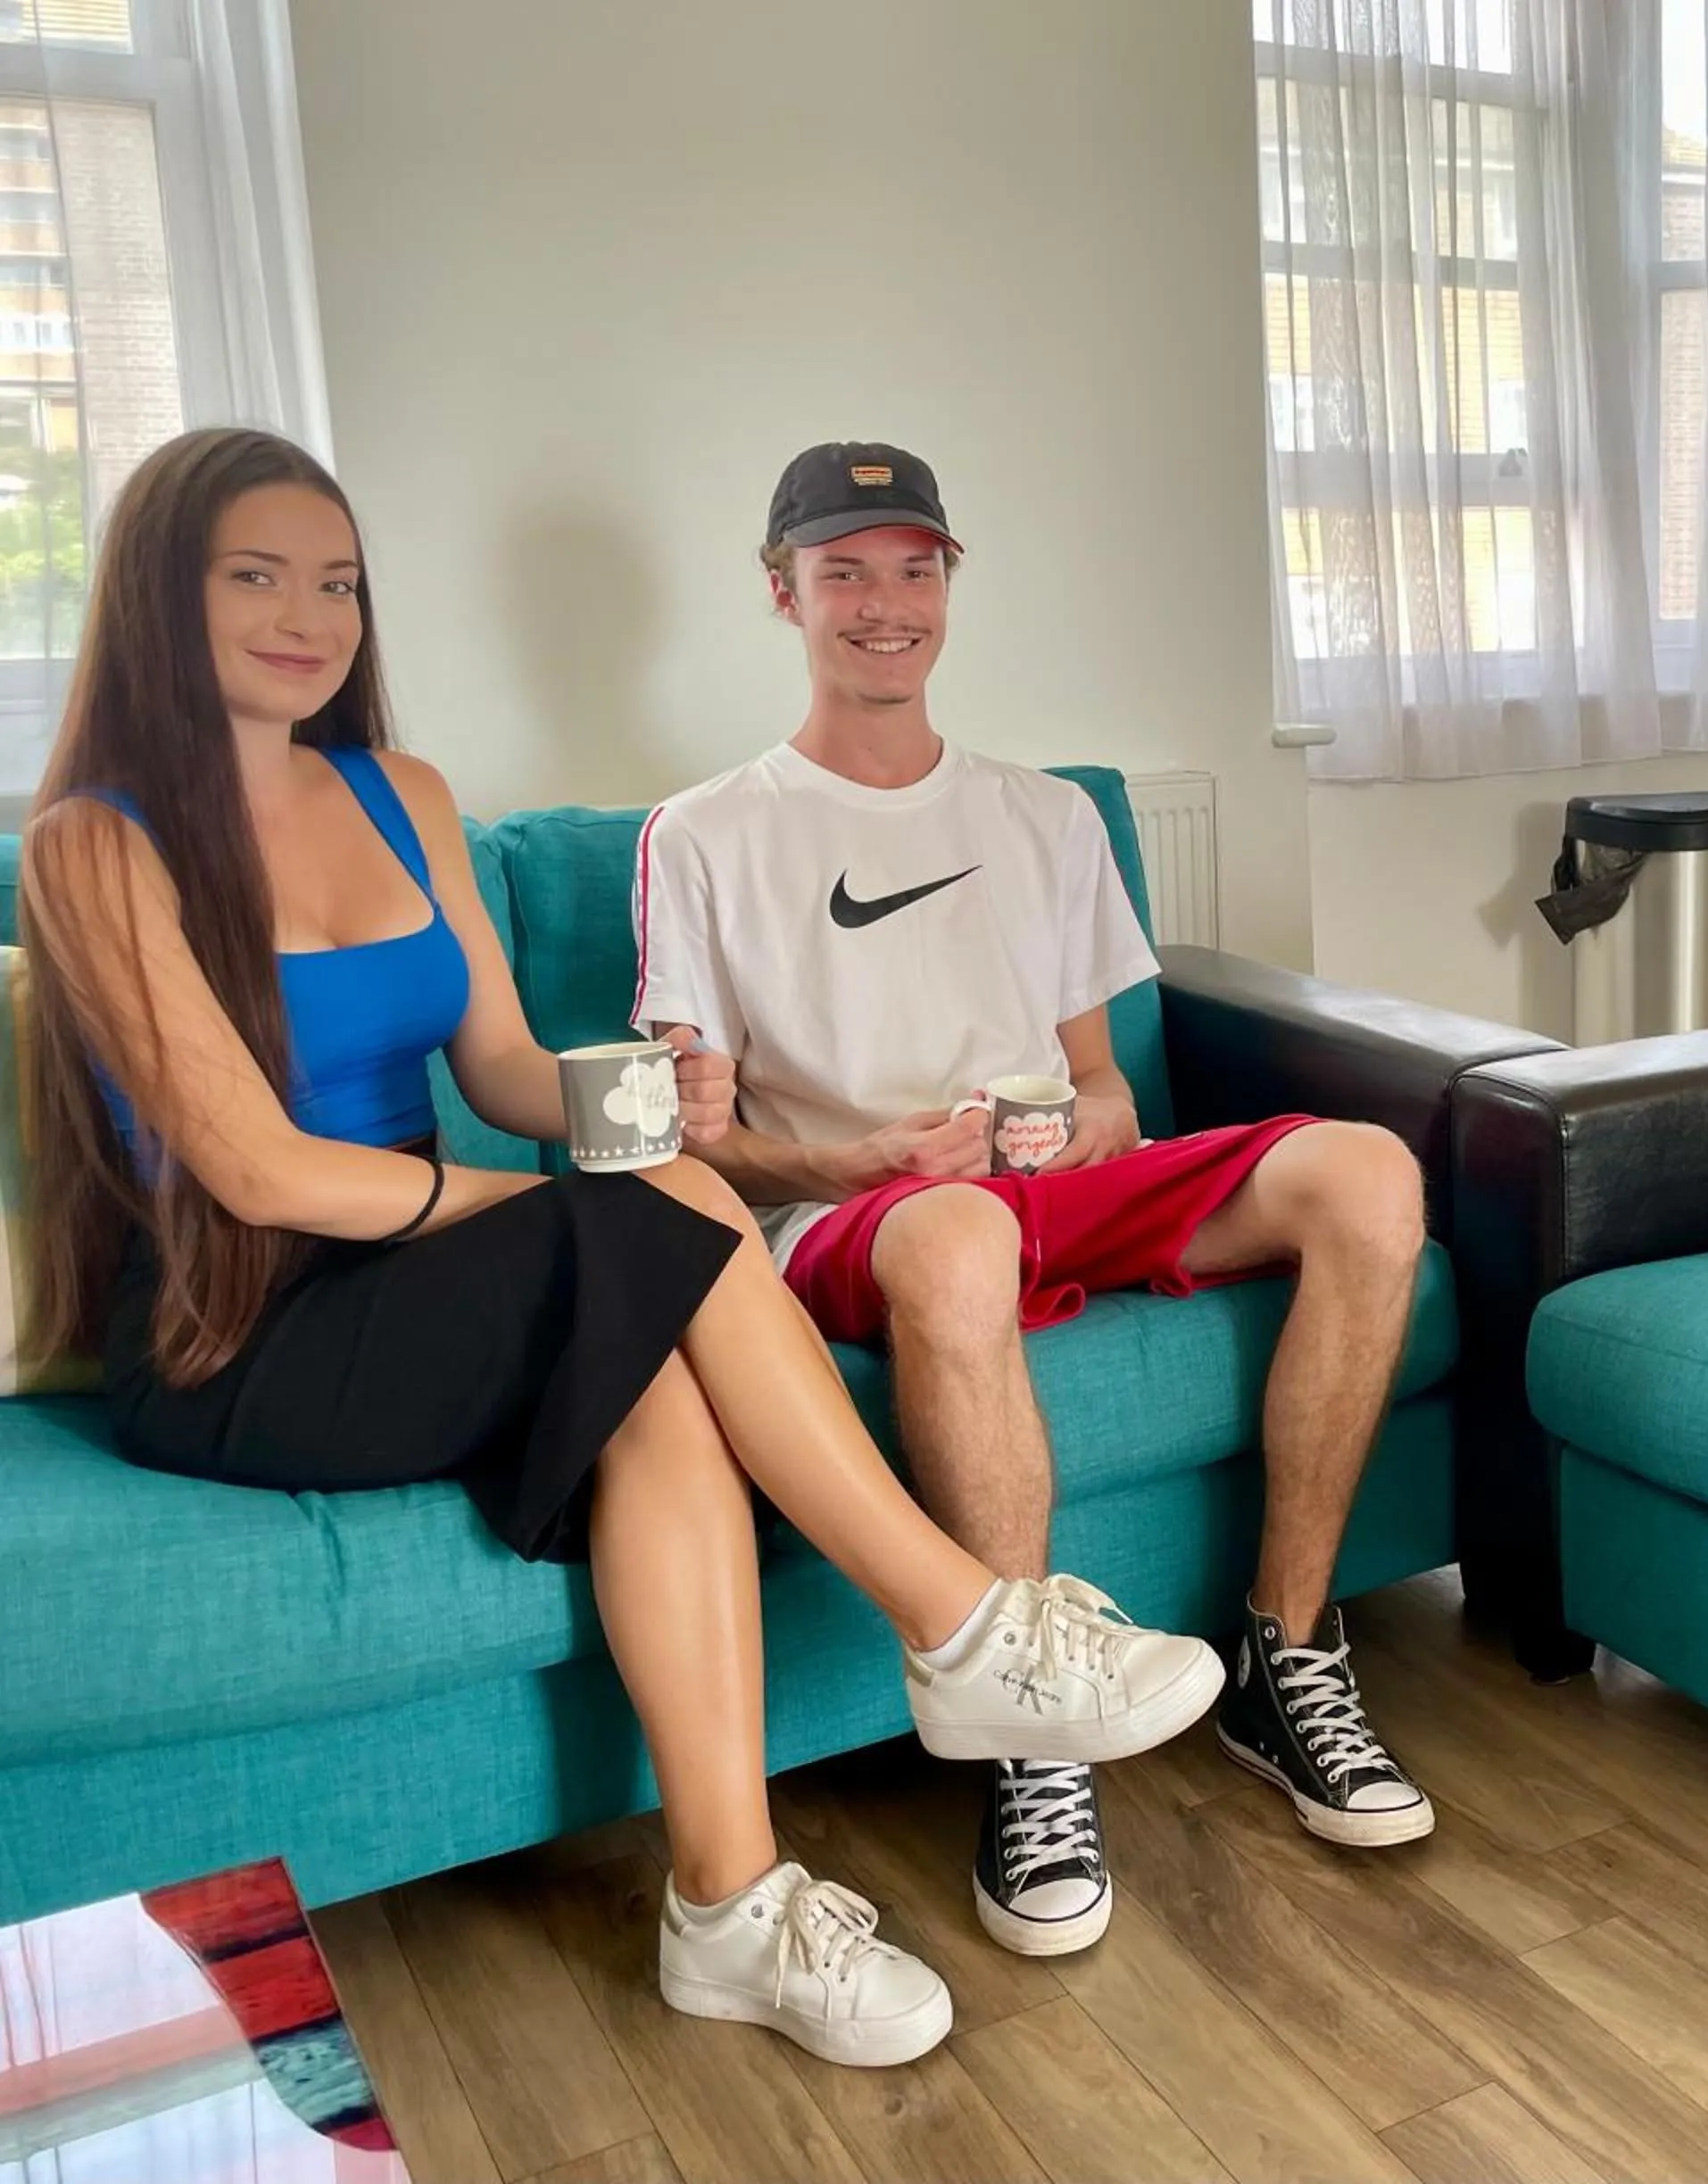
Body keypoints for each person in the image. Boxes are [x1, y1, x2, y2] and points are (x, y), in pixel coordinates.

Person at [19, 426, 1226, 2072]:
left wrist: (652, 1106)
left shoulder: (401, 793)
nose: (307, 616)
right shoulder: (94, 840)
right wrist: (570, 1206)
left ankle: (728, 1913)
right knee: (647, 1234)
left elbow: (507, 1072)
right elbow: (259, 1168)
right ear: (166, 592)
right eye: (256, 578)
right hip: (239, 1327)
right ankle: (967, 1628)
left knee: (659, 1364)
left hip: (407, 1274)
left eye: (339, 583)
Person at [632, 442, 1436, 1965]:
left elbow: (1111, 1091)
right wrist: (856, 1162)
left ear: (950, 583)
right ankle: (1032, 1734)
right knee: (955, 1231)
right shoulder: (708, 833)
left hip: (1034, 1189)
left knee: (1369, 1172)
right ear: (781, 590)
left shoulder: (1048, 817)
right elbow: (709, 1154)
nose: (885, 604)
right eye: (845, 570)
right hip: (867, 1222)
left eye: (914, 568)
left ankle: (1290, 1647)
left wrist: (1070, 1134)